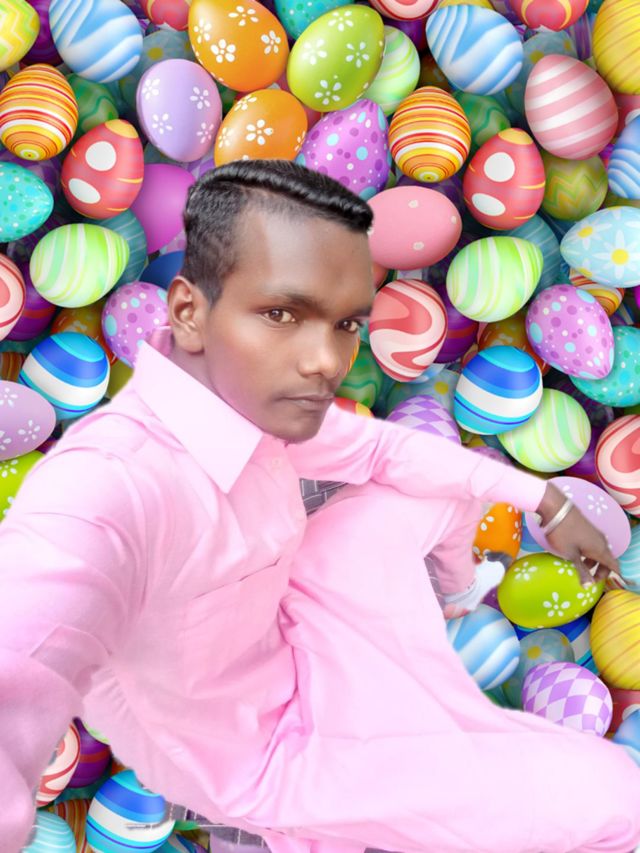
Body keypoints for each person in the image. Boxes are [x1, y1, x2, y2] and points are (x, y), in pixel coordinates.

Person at [0, 160, 638, 853]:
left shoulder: (247, 399)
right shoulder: (108, 487)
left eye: (346, 324)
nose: (326, 361)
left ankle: (454, 592)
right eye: (283, 313)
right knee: (616, 796)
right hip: (272, 760)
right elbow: (24, 654)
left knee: (428, 485)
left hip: (298, 626)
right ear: (188, 311)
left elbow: (382, 451)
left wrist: (545, 498)